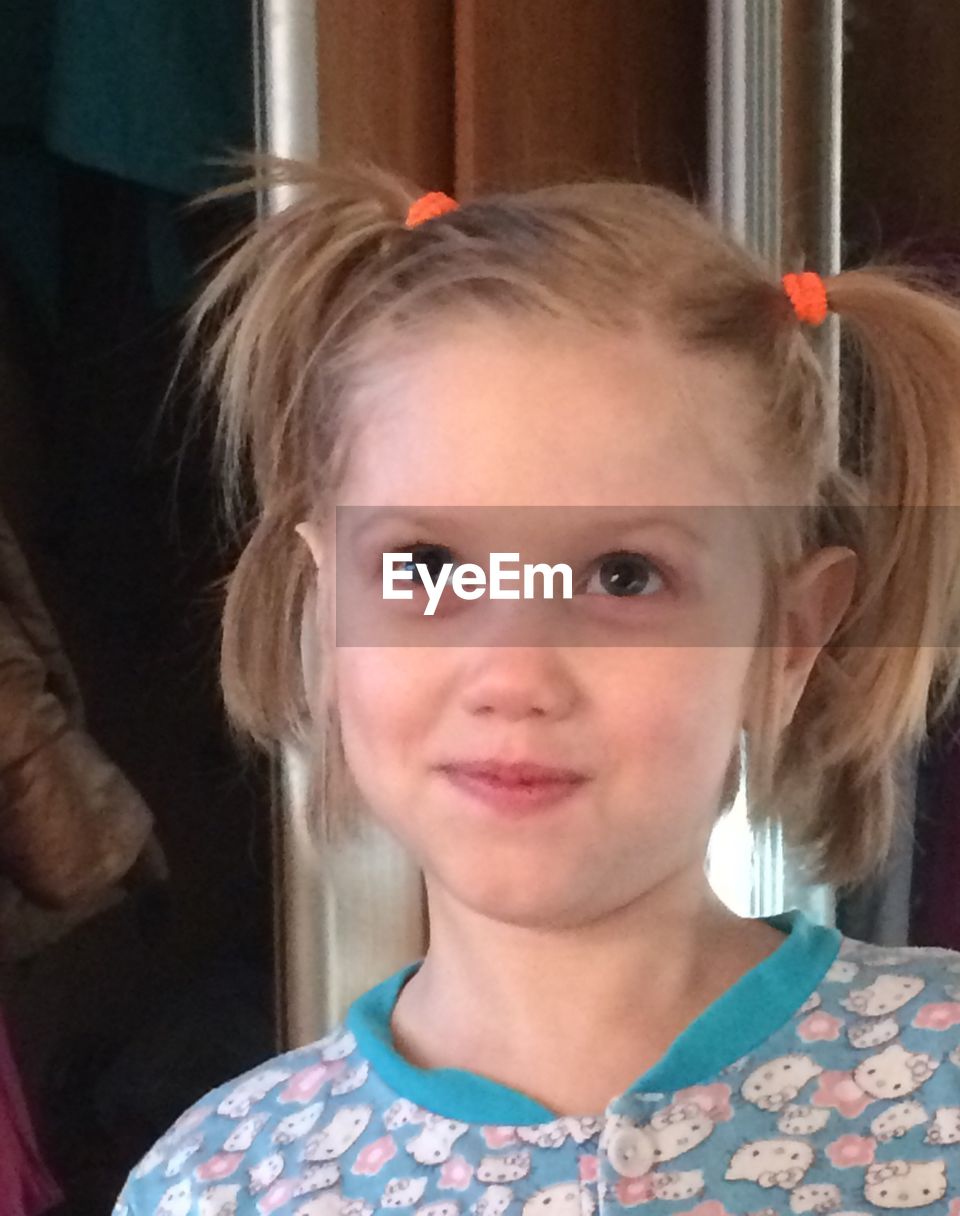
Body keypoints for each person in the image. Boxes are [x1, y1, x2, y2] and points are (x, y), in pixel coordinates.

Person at [112, 158, 960, 1214]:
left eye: (623, 575)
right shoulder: (221, 1183)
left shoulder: (938, 1090)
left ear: (786, 641)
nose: (513, 673)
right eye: (429, 567)